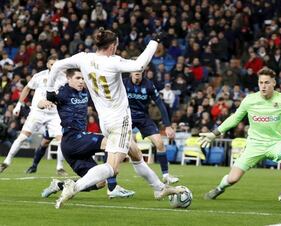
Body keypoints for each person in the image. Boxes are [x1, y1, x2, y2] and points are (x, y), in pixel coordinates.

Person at [46, 28, 184, 208]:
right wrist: (155, 41)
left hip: (105, 121)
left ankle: (158, 187)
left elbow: (56, 65)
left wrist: (49, 91)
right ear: (112, 46)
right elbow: (140, 65)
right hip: (121, 121)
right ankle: (73, 187)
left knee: (135, 154)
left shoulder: (83, 58)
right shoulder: (113, 62)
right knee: (112, 168)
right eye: (116, 45)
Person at [199, 67, 281, 205]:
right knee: (233, 179)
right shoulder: (249, 100)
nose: (263, 86)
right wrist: (213, 134)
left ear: (274, 83)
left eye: (267, 82)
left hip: (275, 144)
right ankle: (219, 188)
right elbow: (234, 119)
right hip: (254, 146)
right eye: (261, 83)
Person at [40, 68, 135, 199]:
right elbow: (41, 102)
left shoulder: (85, 91)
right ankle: (113, 188)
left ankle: (59, 185)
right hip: (72, 140)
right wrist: (44, 103)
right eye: (78, 78)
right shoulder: (63, 92)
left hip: (80, 143)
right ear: (69, 79)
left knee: (100, 182)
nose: (81, 81)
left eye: (83, 78)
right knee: (111, 142)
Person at [0, 55, 67, 176]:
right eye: (52, 64)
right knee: (23, 137)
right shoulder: (39, 76)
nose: (54, 66)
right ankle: (6, 161)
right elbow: (27, 88)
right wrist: (19, 105)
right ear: (47, 65)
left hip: (54, 114)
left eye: (56, 64)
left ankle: (59, 167)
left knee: (61, 139)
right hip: (37, 112)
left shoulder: (63, 78)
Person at [123, 71, 179, 184]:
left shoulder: (148, 85)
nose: (137, 72)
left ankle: (166, 175)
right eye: (135, 69)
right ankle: (110, 180)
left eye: (140, 69)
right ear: (130, 72)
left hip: (143, 117)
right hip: (126, 116)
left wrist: (168, 126)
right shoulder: (123, 83)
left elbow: (160, 104)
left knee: (160, 143)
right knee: (117, 147)